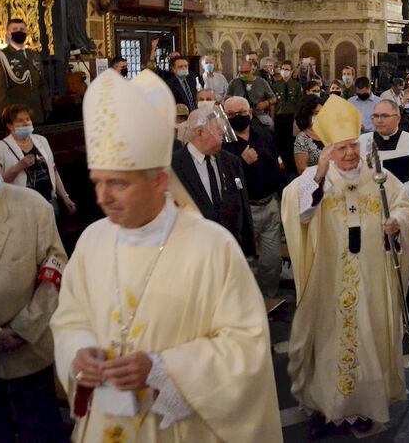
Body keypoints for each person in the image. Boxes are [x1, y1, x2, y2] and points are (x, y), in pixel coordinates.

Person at [50, 69, 281, 441]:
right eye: (98, 183)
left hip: (179, 428)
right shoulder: (93, 241)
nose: (104, 197)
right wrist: (79, 353)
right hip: (105, 421)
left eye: (119, 183)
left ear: (159, 182)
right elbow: (70, 319)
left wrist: (163, 369)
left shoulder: (211, 247)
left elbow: (246, 347)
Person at [281, 95, 409, 435]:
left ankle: (364, 405)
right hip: (329, 277)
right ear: (328, 148)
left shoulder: (379, 176)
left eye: (353, 146)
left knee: (369, 335)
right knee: (328, 338)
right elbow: (298, 213)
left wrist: (397, 222)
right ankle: (326, 406)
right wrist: (320, 174)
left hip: (372, 276)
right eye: (340, 148)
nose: (349, 154)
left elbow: (407, 207)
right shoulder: (316, 178)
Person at [0, 142, 69, 441]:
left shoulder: (32, 206)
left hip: (28, 346)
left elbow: (55, 270)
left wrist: (23, 328)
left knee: (40, 429)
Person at [359, 99, 409, 324]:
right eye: (375, 116)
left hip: (401, 216)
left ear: (397, 118)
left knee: (404, 261)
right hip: (371, 218)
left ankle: (404, 316)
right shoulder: (362, 143)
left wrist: (393, 198)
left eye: (384, 116)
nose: (379, 121)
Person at [222, 96, 288, 298]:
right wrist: (241, 162)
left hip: (269, 205)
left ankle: (268, 299)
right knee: (243, 261)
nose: (237, 117)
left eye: (241, 113)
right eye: (231, 114)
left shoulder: (263, 134)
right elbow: (223, 178)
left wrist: (283, 194)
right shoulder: (223, 142)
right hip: (244, 210)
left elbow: (278, 165)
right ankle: (247, 303)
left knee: (272, 261)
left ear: (249, 113)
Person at [171, 109, 254, 257]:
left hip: (230, 251)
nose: (222, 132)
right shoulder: (173, 167)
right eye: (217, 128)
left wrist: (247, 249)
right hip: (193, 255)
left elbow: (242, 206)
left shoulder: (231, 162)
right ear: (200, 132)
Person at [0, 104, 76, 216]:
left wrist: (65, 197)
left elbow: (53, 170)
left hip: (49, 202)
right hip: (21, 209)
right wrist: (18, 167)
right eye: (20, 121)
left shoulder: (42, 140)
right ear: (10, 126)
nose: (26, 123)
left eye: (28, 119)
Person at [0, 19, 51, 124]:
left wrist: (47, 107)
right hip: (16, 115)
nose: (19, 31)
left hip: (37, 113)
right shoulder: (1, 55)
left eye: (22, 29)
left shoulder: (34, 55)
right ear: (8, 34)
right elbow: (0, 90)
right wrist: (7, 116)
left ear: (26, 32)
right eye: (15, 29)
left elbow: (42, 84)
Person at [227, 60, 276, 130]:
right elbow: (226, 98)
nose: (244, 74)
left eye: (246, 72)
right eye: (241, 72)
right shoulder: (234, 83)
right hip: (239, 115)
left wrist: (266, 103)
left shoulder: (262, 82)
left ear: (252, 71)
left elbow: (273, 98)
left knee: (270, 124)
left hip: (258, 115)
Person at [294, 95, 324, 174]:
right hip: (316, 182)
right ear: (306, 115)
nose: (320, 116)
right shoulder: (301, 139)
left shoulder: (329, 132)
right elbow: (302, 172)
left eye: (322, 112)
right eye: (316, 113)